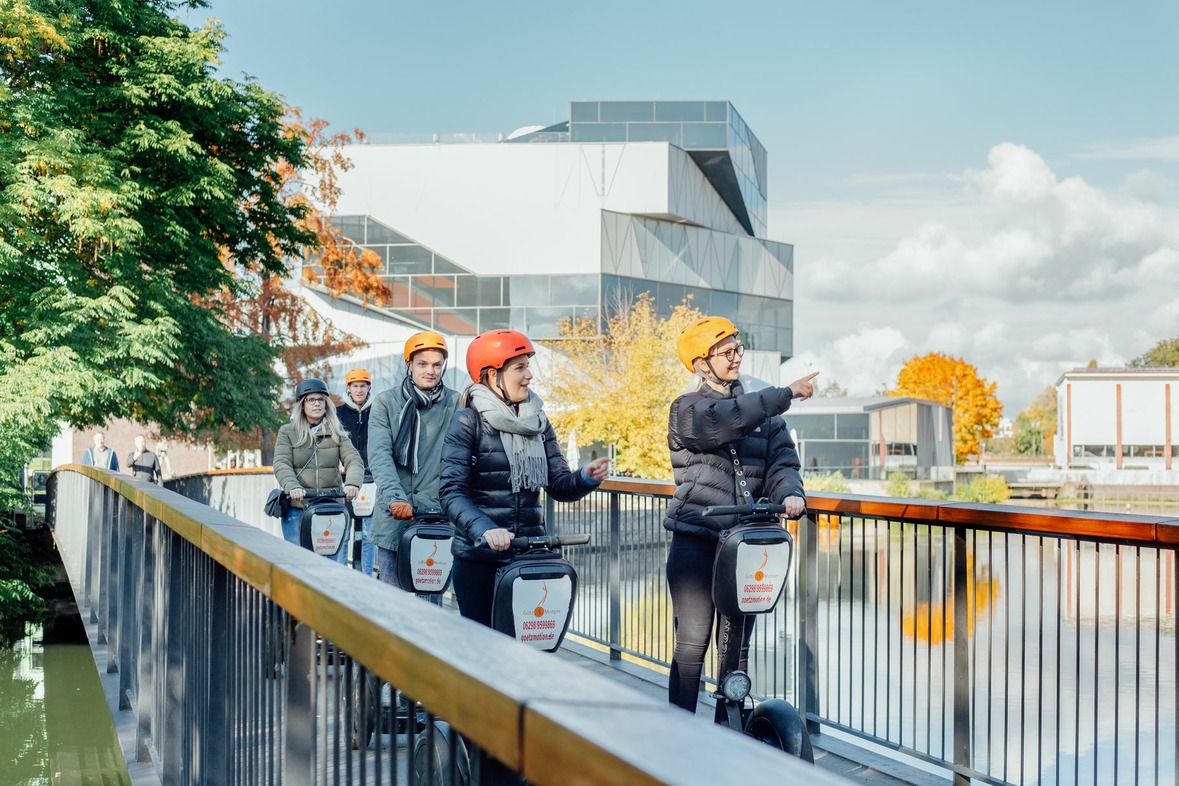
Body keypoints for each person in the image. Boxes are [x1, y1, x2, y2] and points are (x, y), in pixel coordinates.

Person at [663, 316, 818, 715]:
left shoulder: (761, 409)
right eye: (726, 352)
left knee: (736, 647)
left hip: (745, 545)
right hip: (696, 538)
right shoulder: (687, 409)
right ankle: (677, 731)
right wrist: (784, 392)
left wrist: (790, 495)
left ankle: (727, 728)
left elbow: (783, 463)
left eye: (737, 349)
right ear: (701, 364)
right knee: (693, 642)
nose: (735, 358)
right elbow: (721, 422)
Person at [440, 329, 609, 628]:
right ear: (493, 376)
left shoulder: (539, 422)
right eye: (519, 367)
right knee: (483, 654)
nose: (529, 375)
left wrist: (584, 477)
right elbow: (452, 492)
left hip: (527, 555)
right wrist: (486, 529)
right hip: (479, 558)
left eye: (527, 366)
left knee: (524, 656)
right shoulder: (467, 421)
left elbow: (557, 485)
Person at [368, 332, 459, 599]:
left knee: (431, 601)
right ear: (409, 364)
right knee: (391, 598)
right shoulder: (386, 402)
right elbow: (379, 455)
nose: (430, 371)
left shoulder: (455, 402)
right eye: (422, 363)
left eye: (437, 364)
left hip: (436, 514)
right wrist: (395, 498)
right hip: (393, 514)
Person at [273, 378, 364, 565]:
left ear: (327, 404)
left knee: (331, 563)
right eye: (311, 399)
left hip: (329, 507)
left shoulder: (337, 432)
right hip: (298, 506)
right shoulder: (288, 432)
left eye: (320, 399)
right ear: (302, 404)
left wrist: (353, 483)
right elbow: (282, 463)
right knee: (296, 562)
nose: (316, 404)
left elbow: (353, 460)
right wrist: (292, 486)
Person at [336, 367, 376, 575]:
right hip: (345, 479)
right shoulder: (338, 413)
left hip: (372, 479)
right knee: (344, 530)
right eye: (355, 386)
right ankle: (342, 573)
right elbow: (330, 442)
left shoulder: (377, 410)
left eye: (363, 386)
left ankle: (366, 575)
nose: (359, 390)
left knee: (370, 533)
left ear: (369, 388)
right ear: (349, 389)